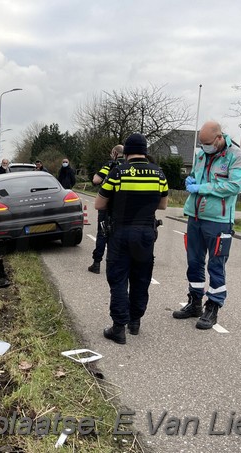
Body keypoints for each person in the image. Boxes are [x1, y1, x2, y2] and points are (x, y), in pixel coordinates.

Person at [173, 121, 241, 329]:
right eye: (201, 143)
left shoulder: (237, 156)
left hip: (219, 220)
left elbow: (233, 186)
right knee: (194, 261)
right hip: (195, 216)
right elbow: (196, 177)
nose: (204, 147)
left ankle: (213, 307)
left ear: (219, 138)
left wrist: (201, 187)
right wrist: (190, 180)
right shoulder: (200, 155)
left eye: (207, 143)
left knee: (216, 265)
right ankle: (194, 302)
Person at [94, 133, 168, 344]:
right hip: (145, 233)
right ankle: (135, 322)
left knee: (118, 278)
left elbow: (99, 204)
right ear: (145, 152)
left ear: (125, 152)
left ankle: (118, 328)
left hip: (121, 232)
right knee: (141, 278)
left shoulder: (118, 172)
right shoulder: (159, 174)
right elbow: (162, 206)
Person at [88, 144, 124, 274]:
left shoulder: (110, 165)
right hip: (122, 206)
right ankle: (116, 263)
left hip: (106, 203)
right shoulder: (129, 166)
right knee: (118, 233)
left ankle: (97, 263)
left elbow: (96, 180)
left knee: (102, 233)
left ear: (114, 153)